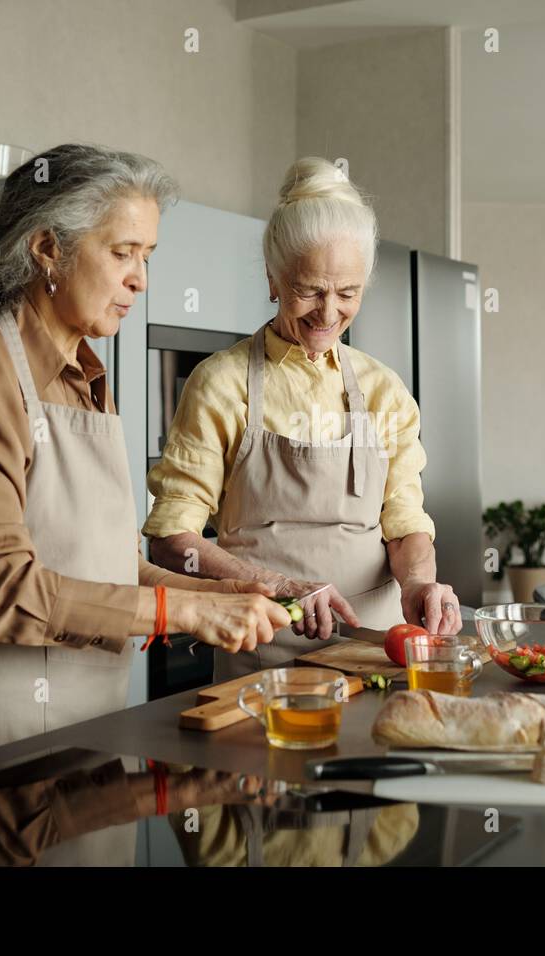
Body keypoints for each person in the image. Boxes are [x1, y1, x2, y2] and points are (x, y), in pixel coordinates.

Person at [0, 144, 289, 768]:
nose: (141, 279)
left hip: (96, 725)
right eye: (122, 252)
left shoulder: (88, 376)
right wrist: (182, 609)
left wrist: (218, 592)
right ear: (48, 248)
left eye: (146, 256)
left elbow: (107, 565)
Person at [143, 157, 461, 679]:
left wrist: (420, 584)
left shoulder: (384, 390)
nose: (329, 312)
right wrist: (282, 586)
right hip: (262, 654)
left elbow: (404, 523)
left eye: (348, 293)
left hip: (377, 651)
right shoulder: (220, 384)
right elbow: (172, 538)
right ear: (273, 278)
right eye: (310, 289)